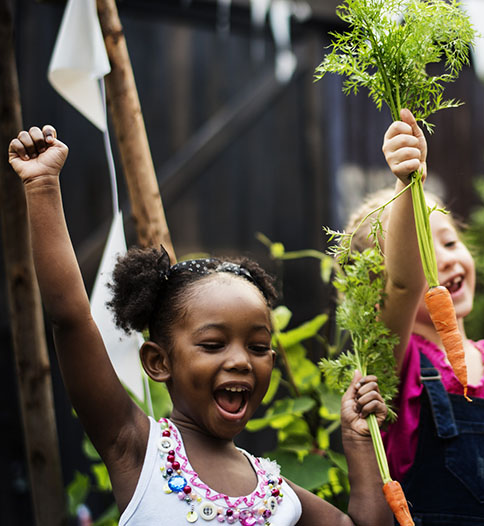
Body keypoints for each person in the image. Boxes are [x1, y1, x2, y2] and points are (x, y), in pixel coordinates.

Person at [8, 125, 393, 526]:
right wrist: (41, 186)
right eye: (213, 344)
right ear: (158, 362)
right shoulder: (136, 449)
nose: (242, 360)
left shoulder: (278, 495)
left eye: (258, 347)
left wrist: (359, 442)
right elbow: (70, 318)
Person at [344, 109, 484, 524]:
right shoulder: (398, 360)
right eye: (424, 251)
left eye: (450, 241)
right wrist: (408, 184)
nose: (445, 262)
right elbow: (404, 284)